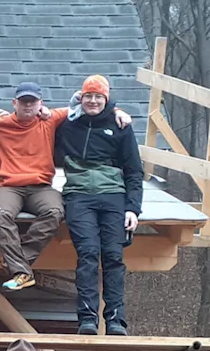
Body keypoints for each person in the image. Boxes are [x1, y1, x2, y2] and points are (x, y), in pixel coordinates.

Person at [0, 84, 131, 293]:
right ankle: (22, 271)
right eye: (23, 101)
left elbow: (87, 105)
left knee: (55, 211)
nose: (28, 105)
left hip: (41, 187)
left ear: (41, 104)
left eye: (33, 101)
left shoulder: (51, 119)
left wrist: (118, 111)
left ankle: (20, 264)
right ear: (14, 103)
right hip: (8, 185)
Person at [54, 74, 143, 336]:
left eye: (98, 97)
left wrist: (133, 208)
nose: (93, 101)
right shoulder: (68, 124)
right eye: (88, 96)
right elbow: (40, 117)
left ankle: (116, 320)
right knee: (88, 254)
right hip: (78, 195)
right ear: (80, 98)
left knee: (114, 257)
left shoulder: (120, 125)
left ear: (106, 99)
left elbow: (134, 171)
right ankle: (87, 319)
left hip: (113, 194)